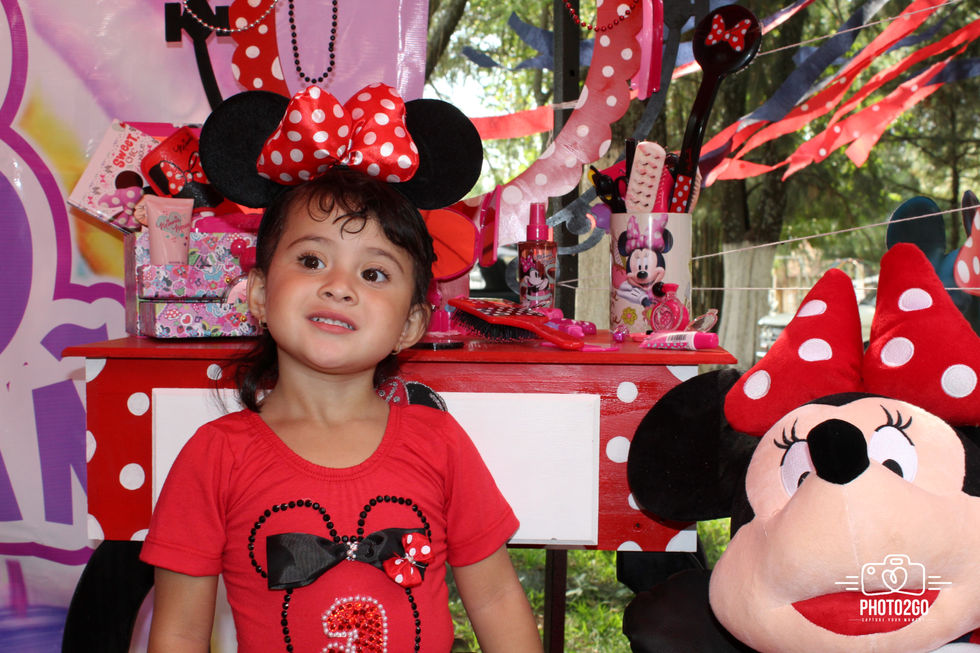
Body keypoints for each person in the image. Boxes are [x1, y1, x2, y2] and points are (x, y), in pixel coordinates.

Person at [140, 168, 543, 653]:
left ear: (411, 325)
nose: (338, 286)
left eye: (373, 274)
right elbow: (179, 633)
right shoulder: (214, 456)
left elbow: (497, 598)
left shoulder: (439, 442)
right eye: (311, 261)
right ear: (259, 294)